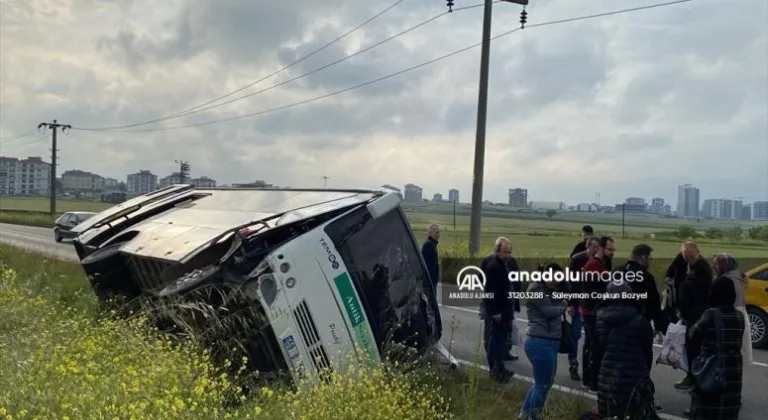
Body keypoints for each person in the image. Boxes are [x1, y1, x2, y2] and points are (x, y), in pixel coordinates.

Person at [596, 280, 660, 420]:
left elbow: (600, 349)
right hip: (635, 380)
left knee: (609, 413)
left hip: (607, 378)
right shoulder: (640, 321)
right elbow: (647, 353)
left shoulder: (600, 319)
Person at [685, 276, 744, 420]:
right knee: (729, 407)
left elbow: (693, 333)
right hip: (733, 366)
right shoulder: (739, 316)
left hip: (712, 365)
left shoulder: (710, 314)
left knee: (708, 407)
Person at [519, 262, 567, 420]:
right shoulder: (536, 289)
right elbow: (548, 311)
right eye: (555, 277)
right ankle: (534, 416)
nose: (557, 281)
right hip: (540, 342)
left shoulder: (548, 289)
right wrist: (564, 305)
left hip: (549, 342)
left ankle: (525, 414)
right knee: (542, 385)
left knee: (543, 383)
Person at [580, 236, 614, 392]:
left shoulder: (602, 263)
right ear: (601, 248)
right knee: (596, 346)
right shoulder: (594, 265)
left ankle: (588, 378)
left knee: (591, 344)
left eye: (613, 250)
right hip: (592, 311)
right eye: (609, 249)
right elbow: (594, 291)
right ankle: (593, 381)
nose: (612, 252)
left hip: (593, 309)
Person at [675, 254, 713, 390]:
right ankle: (704, 378)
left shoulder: (687, 284)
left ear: (692, 269)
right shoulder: (711, 283)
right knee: (706, 352)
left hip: (692, 322)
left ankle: (692, 379)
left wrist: (681, 314)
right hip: (708, 321)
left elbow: (683, 304)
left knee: (692, 352)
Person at [480, 237, 521, 361]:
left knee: (507, 329)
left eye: (509, 251)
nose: (507, 254)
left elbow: (517, 282)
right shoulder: (489, 261)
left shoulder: (513, 262)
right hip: (493, 302)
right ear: (497, 250)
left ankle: (505, 352)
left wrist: (517, 301)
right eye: (504, 251)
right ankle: (491, 355)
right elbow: (482, 280)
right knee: (491, 329)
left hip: (509, 301)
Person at [565, 235, 599, 381]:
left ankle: (592, 368)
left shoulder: (601, 261)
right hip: (579, 303)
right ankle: (573, 364)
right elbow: (570, 283)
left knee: (593, 338)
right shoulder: (577, 259)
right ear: (588, 246)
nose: (596, 250)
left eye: (599, 247)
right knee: (575, 334)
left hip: (595, 305)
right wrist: (570, 303)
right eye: (594, 247)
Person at [713, 253, 752, 367]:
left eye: (716, 263)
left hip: (730, 316)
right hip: (738, 315)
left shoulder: (728, 280)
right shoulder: (737, 277)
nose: (714, 266)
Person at [420, 223, 441, 292]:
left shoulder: (433, 244)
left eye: (439, 232)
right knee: (431, 301)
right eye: (436, 232)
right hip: (429, 281)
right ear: (430, 233)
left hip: (432, 280)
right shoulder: (428, 245)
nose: (438, 234)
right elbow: (423, 263)